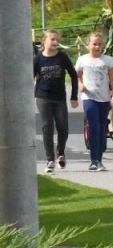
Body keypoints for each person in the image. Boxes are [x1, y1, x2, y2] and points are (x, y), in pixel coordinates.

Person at [34, 29, 78, 171]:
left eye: (56, 39)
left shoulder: (62, 57)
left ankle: (60, 153)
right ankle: (50, 160)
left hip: (59, 97)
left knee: (63, 127)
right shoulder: (38, 59)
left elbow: (73, 75)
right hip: (43, 96)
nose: (55, 42)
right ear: (44, 41)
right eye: (52, 39)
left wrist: (74, 96)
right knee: (47, 127)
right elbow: (30, 77)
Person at [75, 32, 113, 172]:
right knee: (94, 126)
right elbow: (77, 76)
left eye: (99, 44)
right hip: (89, 97)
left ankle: (99, 158)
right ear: (88, 45)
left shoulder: (108, 60)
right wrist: (80, 85)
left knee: (102, 128)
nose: (97, 47)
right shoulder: (82, 60)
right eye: (94, 44)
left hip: (104, 98)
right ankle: (94, 160)